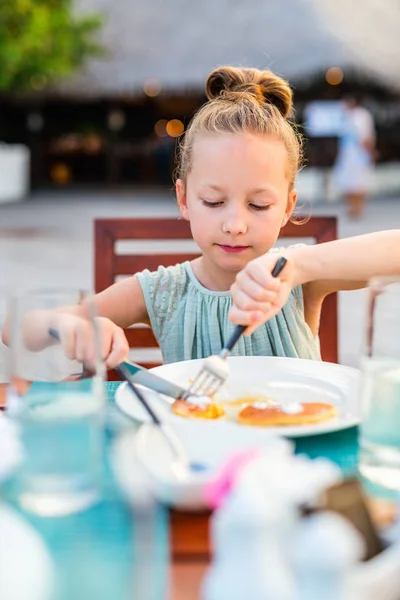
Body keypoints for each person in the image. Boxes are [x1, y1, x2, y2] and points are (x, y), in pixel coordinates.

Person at [2, 67, 400, 368]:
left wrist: (298, 264)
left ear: (288, 207)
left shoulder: (297, 283)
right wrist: (69, 327)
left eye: (258, 205)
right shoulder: (161, 292)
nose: (234, 224)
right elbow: (16, 329)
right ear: (184, 199)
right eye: (213, 202)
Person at [332, 96, 376, 218]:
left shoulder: (361, 116)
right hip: (347, 153)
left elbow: (365, 138)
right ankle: (352, 207)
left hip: (358, 154)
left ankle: (358, 208)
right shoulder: (345, 117)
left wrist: (371, 152)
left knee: (359, 182)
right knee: (347, 181)